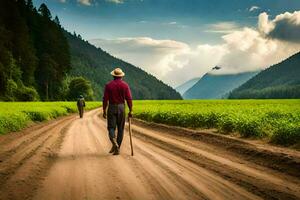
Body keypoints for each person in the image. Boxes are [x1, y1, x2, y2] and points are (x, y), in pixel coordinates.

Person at [103, 68, 133, 155]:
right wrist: (131, 110)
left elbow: (105, 99)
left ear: (113, 75)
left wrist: (104, 110)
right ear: (121, 76)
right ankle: (118, 147)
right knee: (121, 129)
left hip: (112, 107)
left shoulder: (108, 85)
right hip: (121, 107)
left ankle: (114, 143)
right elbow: (129, 99)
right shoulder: (125, 85)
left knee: (111, 128)